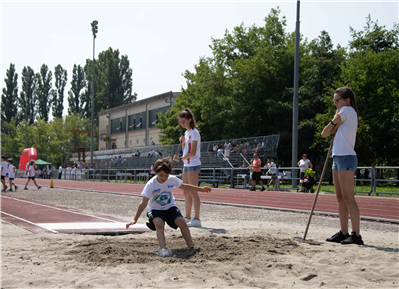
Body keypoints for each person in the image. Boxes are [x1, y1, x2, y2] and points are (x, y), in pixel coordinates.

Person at [126, 158, 211, 256]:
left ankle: (191, 247)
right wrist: (135, 219)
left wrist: (201, 189)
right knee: (159, 223)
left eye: (166, 175)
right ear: (155, 172)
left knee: (182, 222)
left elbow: (185, 186)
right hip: (156, 210)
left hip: (170, 208)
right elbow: (143, 203)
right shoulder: (151, 184)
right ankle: (163, 249)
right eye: (161, 175)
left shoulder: (171, 179)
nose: (164, 178)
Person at [321, 85, 363, 245]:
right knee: (340, 197)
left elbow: (325, 132)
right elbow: (327, 133)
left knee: (348, 197)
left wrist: (335, 118)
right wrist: (335, 118)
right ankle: (344, 231)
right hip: (337, 157)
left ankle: (356, 235)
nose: (335, 104)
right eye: (334, 101)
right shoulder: (342, 112)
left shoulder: (347, 111)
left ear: (347, 100)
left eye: (336, 101)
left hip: (346, 157)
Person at [173, 108, 202, 227]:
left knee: (193, 192)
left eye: (184, 121)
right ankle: (188, 217)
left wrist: (180, 158)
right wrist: (183, 142)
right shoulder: (187, 133)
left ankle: (197, 219)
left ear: (190, 120)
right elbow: (186, 150)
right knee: (186, 191)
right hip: (186, 165)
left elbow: (193, 152)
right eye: (180, 121)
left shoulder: (195, 132)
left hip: (193, 164)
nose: (182, 124)